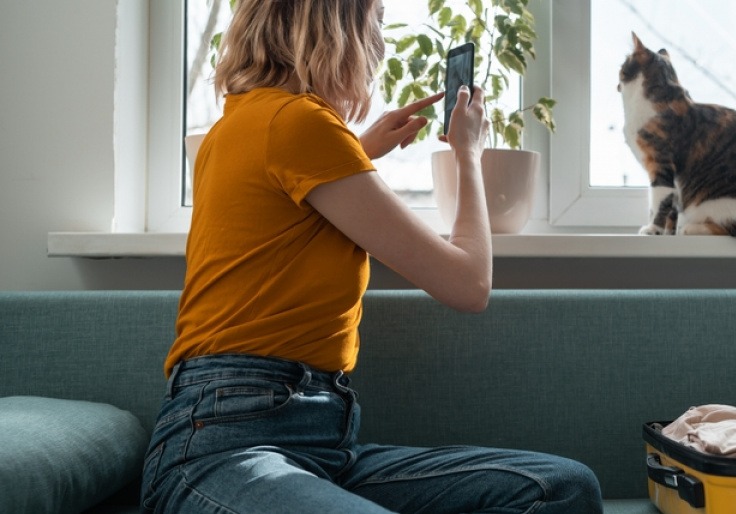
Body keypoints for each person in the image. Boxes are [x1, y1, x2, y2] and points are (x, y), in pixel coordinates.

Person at [139, 0, 604, 512]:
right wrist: (467, 153)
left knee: (561, 486)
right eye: (376, 22)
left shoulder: (239, 124)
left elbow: (284, 212)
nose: (379, 45)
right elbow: (469, 284)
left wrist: (358, 149)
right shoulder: (301, 125)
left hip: (323, 444)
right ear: (340, 27)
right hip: (222, 450)